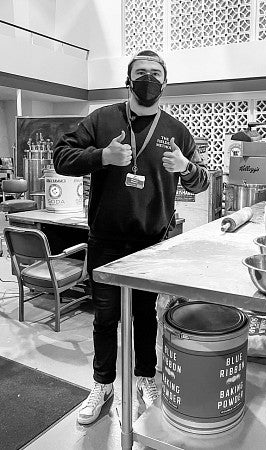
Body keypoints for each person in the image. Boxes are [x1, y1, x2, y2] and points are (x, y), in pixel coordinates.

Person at [53, 50, 209, 425]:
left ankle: (144, 379)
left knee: (144, 317)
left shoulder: (175, 131)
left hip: (151, 245)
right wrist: (102, 156)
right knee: (105, 319)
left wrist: (186, 168)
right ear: (128, 80)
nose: (148, 79)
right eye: (141, 72)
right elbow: (61, 156)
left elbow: (202, 181)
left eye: (155, 73)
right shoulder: (102, 119)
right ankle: (102, 385)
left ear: (165, 82)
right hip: (105, 242)